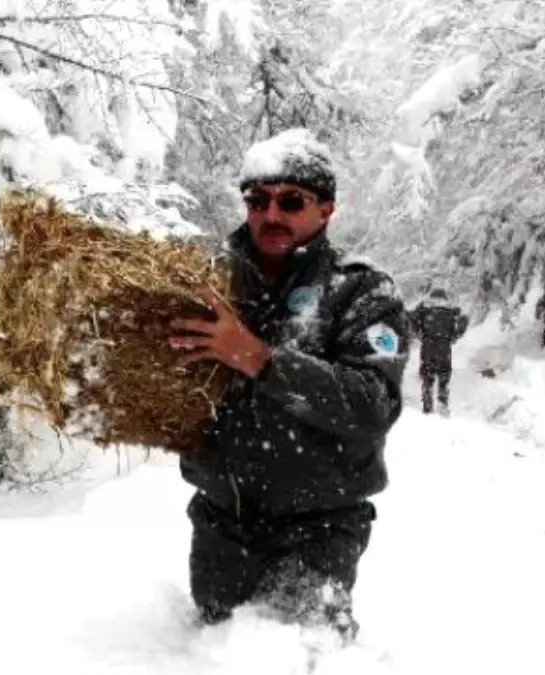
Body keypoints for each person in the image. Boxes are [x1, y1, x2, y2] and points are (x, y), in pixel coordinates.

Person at [167, 128, 410, 641]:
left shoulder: (361, 290)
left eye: (291, 201)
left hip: (319, 527)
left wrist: (258, 358)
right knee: (212, 652)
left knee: (297, 658)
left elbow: (373, 404)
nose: (271, 214)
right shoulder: (208, 282)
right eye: (258, 200)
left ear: (325, 210)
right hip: (220, 523)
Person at [409, 288, 468, 414]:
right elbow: (463, 321)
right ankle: (442, 404)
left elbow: (411, 319)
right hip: (444, 345)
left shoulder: (424, 307)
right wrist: (455, 336)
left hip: (428, 344)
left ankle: (427, 406)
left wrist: (419, 334)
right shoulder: (451, 309)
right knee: (444, 374)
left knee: (427, 374)